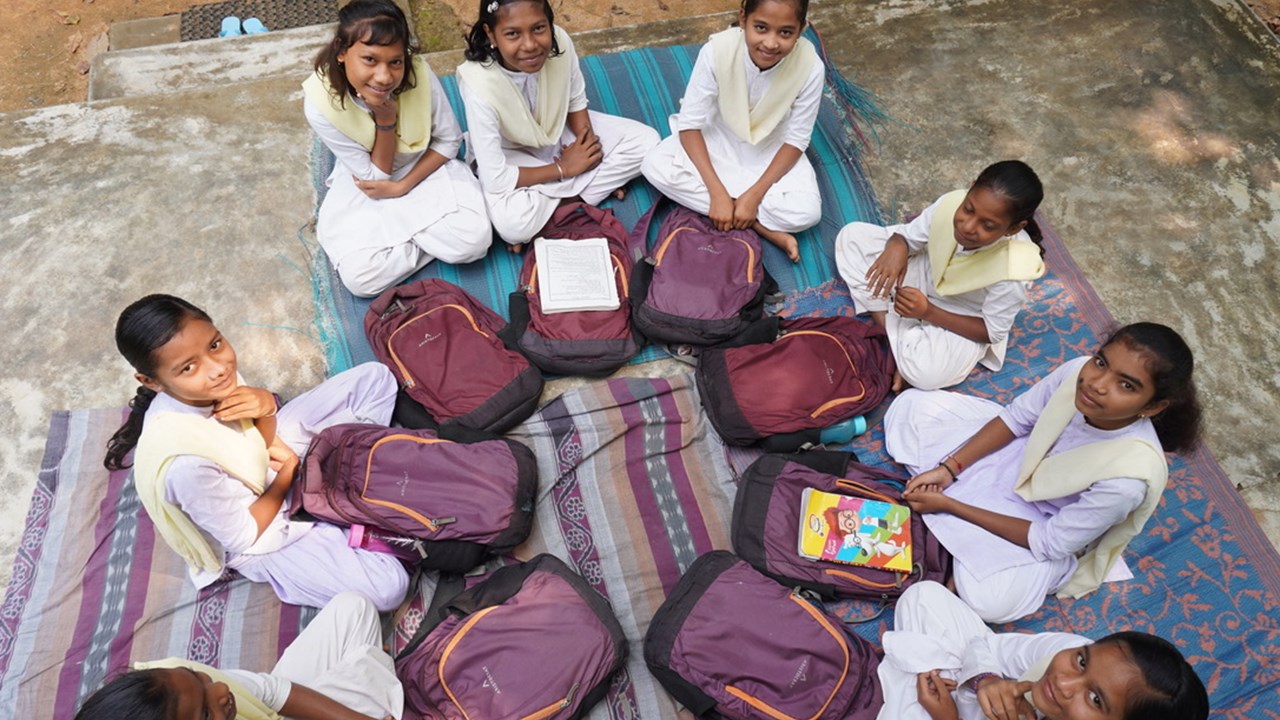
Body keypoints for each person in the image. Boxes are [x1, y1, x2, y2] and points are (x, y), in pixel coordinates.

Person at [104, 295, 409, 611]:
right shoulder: (186, 467)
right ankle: (337, 496)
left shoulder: (214, 378)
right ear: (150, 381)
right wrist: (289, 471)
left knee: (375, 379)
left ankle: (339, 484)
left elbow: (259, 442)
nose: (217, 370)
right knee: (387, 587)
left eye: (215, 344)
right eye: (188, 367)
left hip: (269, 461)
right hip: (261, 524)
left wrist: (265, 408)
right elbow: (243, 535)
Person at [887, 323, 1201, 623]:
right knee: (909, 407)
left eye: (1126, 385)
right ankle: (960, 548)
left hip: (1042, 518)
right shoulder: (1078, 371)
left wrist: (950, 505)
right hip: (1020, 455)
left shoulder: (1127, 481)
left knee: (990, 600)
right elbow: (1018, 419)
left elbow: (1049, 542)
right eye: (1101, 362)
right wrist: (949, 468)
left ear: (1153, 407)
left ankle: (966, 541)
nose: (1097, 383)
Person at [304, 0, 490, 297]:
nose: (384, 77)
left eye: (395, 61)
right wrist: (386, 122)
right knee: (360, 280)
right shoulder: (319, 105)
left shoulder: (418, 73)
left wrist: (403, 186)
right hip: (366, 180)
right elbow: (376, 177)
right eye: (369, 59)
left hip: (426, 166)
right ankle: (429, 237)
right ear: (341, 52)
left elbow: (448, 141)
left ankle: (402, 239)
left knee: (475, 242)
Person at [456, 0, 659, 246]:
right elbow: (495, 179)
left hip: (559, 132)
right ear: (491, 35)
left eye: (539, 28)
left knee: (647, 142)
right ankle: (587, 193)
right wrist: (567, 169)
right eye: (512, 34)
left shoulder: (561, 41)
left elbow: (575, 102)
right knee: (513, 225)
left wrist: (590, 156)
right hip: (509, 152)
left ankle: (563, 206)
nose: (530, 45)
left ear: (550, 24)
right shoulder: (478, 83)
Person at [835, 161, 1046, 390]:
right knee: (851, 238)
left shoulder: (1014, 270)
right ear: (970, 188)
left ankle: (895, 334)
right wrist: (898, 244)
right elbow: (908, 238)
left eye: (987, 225)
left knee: (927, 374)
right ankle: (896, 340)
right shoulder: (951, 203)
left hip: (962, 316)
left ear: (1013, 228)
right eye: (968, 209)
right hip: (926, 274)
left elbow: (990, 332)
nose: (967, 227)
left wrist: (928, 312)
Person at [642, 0, 823, 263]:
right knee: (653, 165)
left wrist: (754, 194)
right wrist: (717, 193)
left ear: (801, 29)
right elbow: (690, 125)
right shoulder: (717, 51)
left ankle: (736, 209)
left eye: (785, 32)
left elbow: (797, 140)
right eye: (761, 28)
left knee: (806, 213)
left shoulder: (811, 66)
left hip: (771, 148)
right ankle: (760, 226)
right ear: (742, 19)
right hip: (717, 138)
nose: (771, 43)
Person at [880, 581, 1209, 720]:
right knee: (924, 596)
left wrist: (947, 717)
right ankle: (913, 677)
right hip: (976, 693)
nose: (1063, 684)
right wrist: (987, 681)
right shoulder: (1069, 648)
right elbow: (988, 645)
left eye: (1096, 700)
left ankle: (909, 679)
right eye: (1082, 662)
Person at [74, 592, 402, 720]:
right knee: (371, 677)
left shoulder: (173, 679)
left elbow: (271, 692)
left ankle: (370, 675)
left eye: (198, 677)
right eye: (205, 713)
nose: (220, 690)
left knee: (353, 608)